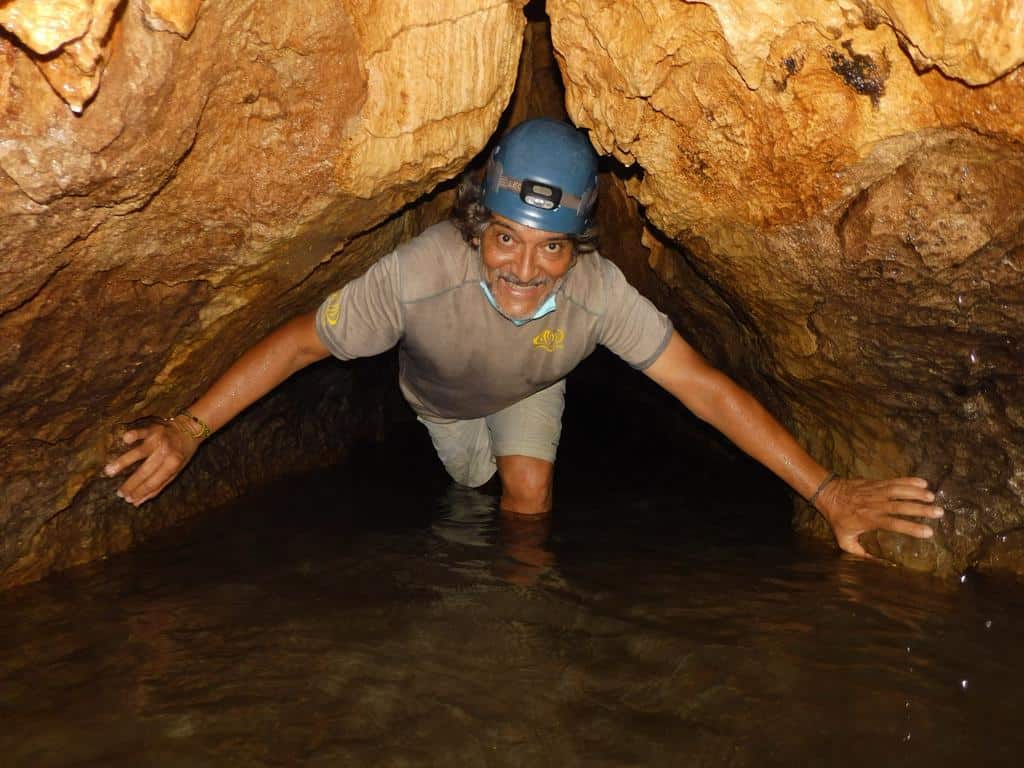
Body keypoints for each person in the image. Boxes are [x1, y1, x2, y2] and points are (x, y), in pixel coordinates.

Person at [104, 118, 943, 558]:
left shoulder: (597, 293)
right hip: (436, 402)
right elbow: (297, 344)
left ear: (578, 246)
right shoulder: (420, 273)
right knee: (470, 484)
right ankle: (467, 483)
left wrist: (828, 491)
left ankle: (512, 624)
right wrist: (189, 427)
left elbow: (705, 388)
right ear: (479, 223)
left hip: (536, 382)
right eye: (507, 237)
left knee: (529, 505)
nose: (526, 268)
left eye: (552, 248)